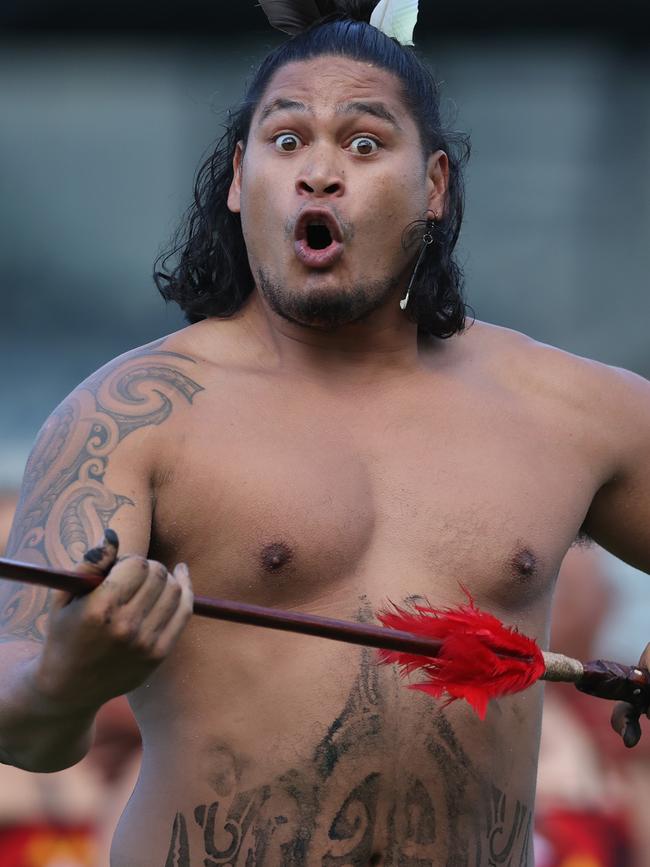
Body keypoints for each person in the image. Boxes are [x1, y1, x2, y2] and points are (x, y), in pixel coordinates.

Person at [0, 3, 648, 864]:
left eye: (367, 144)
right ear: (239, 178)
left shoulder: (570, 409)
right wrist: (63, 681)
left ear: (436, 187)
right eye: (287, 140)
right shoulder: (132, 412)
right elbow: (24, 734)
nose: (320, 173)